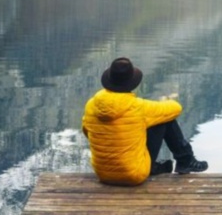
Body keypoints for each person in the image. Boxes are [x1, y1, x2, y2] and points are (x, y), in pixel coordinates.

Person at [82, 56, 209, 184]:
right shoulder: (138, 107)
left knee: (128, 128)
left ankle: (156, 167)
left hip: (103, 174)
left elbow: (87, 132)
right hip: (134, 175)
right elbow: (176, 108)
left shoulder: (91, 105)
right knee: (165, 118)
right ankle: (186, 160)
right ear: (131, 82)